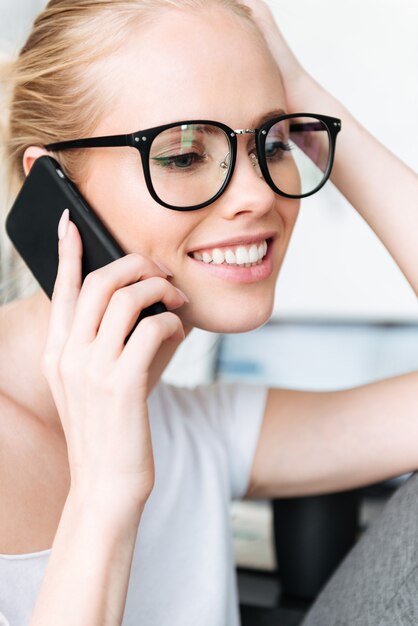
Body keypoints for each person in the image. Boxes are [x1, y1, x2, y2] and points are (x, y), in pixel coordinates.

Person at [0, 1, 416, 625]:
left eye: (272, 144)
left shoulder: (196, 430)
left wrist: (303, 95)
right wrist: (105, 494)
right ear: (54, 189)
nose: (257, 195)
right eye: (184, 155)